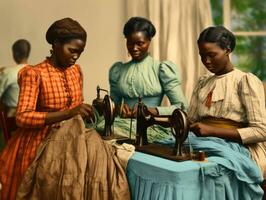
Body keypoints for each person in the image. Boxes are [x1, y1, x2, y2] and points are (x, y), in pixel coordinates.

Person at [0, 18, 130, 200]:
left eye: (80, 52)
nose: (76, 56)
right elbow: (23, 117)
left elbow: (76, 106)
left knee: (102, 168)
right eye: (72, 50)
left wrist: (91, 108)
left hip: (72, 136)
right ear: (55, 44)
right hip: (40, 140)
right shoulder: (34, 73)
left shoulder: (76, 71)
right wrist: (68, 113)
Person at [188, 26, 266, 179]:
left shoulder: (244, 81)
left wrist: (212, 131)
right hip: (203, 141)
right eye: (202, 56)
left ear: (227, 50)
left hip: (238, 147)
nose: (206, 61)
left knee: (205, 172)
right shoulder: (203, 82)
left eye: (211, 55)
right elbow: (191, 119)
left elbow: (262, 131)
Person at [109, 17, 187, 119]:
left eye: (140, 43)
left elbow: (182, 107)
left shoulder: (161, 69)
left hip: (150, 126)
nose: (134, 48)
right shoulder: (118, 71)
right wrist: (119, 108)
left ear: (149, 41)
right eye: (130, 43)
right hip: (121, 124)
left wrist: (151, 110)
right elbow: (112, 105)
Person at [0, 39, 31, 117]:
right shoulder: (36, 71)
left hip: (12, 116)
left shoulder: (8, 72)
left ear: (15, 54)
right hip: (31, 114)